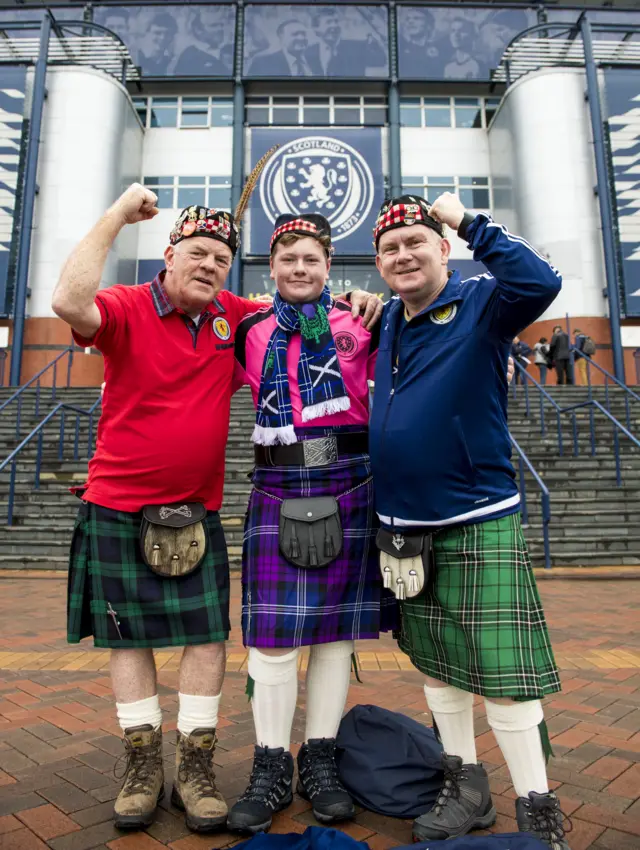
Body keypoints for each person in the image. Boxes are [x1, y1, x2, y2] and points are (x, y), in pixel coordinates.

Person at [51, 186, 380, 834]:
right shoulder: (146, 310)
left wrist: (359, 301)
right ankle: (160, 765)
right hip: (133, 498)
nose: (207, 265)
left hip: (270, 494)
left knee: (243, 636)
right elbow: (67, 302)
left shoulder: (257, 319)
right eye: (196, 253)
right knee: (153, 636)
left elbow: (314, 317)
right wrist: (118, 213)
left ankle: (231, 764)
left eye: (219, 259)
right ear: (167, 256)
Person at [370, 193, 570, 849]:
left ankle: (537, 806)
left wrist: (468, 220)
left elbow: (540, 281)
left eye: (416, 243)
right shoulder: (387, 324)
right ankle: (465, 785)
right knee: (438, 665)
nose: (403, 255)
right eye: (391, 248)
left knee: (503, 676)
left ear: (442, 250)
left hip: (476, 514)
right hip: (403, 526)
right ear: (379, 263)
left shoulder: (484, 303)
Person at [226, 214, 395, 835]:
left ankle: (319, 759)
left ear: (329, 266)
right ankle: (270, 765)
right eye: (288, 259)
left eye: (312, 260)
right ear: (271, 268)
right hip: (276, 480)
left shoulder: (363, 320)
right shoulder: (246, 327)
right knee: (272, 637)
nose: (300, 269)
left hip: (351, 479)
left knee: (333, 634)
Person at [306, 7, 387, 77]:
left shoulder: (357, 48)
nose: (334, 25)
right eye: (329, 22)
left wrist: (375, 45)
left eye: (336, 21)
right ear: (316, 29)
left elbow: (380, 61)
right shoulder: (308, 52)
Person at [173, 7, 233, 76]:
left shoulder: (227, 50)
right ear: (198, 30)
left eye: (221, 25)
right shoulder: (189, 55)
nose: (220, 29)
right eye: (213, 25)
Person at [248, 19, 317, 77]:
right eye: (295, 34)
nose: (301, 38)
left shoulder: (316, 60)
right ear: (281, 37)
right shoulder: (263, 63)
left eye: (303, 34)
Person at [397, 7, 446, 79]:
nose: (410, 21)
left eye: (416, 18)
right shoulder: (400, 49)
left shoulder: (440, 49)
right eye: (407, 19)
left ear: (429, 25)